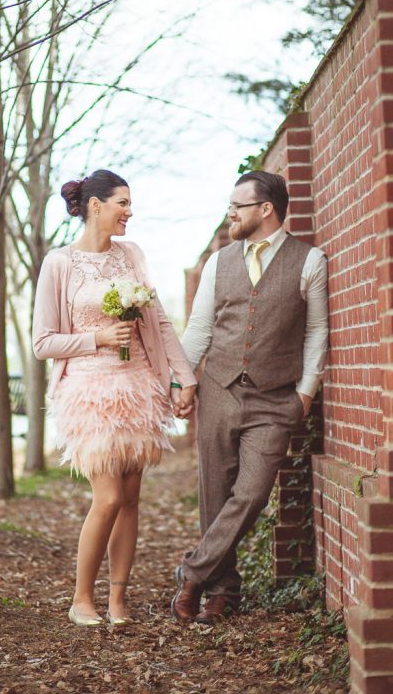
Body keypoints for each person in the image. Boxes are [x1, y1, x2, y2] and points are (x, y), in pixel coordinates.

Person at [33, 169, 197, 627]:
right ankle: (81, 598)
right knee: (105, 497)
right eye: (122, 202)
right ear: (95, 205)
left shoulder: (133, 256)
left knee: (129, 497)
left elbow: (159, 323)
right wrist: (99, 338)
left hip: (139, 385)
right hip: (89, 392)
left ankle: (118, 601)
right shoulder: (60, 263)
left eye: (130, 203)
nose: (129, 211)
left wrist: (184, 379)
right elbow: (43, 342)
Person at [171, 170, 329, 624]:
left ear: (266, 209)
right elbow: (200, 328)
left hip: (276, 399)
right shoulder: (219, 263)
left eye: (237, 206)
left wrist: (304, 393)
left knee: (253, 493)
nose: (230, 214)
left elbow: (317, 332)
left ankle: (192, 572)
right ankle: (222, 592)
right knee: (216, 497)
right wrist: (184, 381)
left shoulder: (309, 261)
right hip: (219, 390)